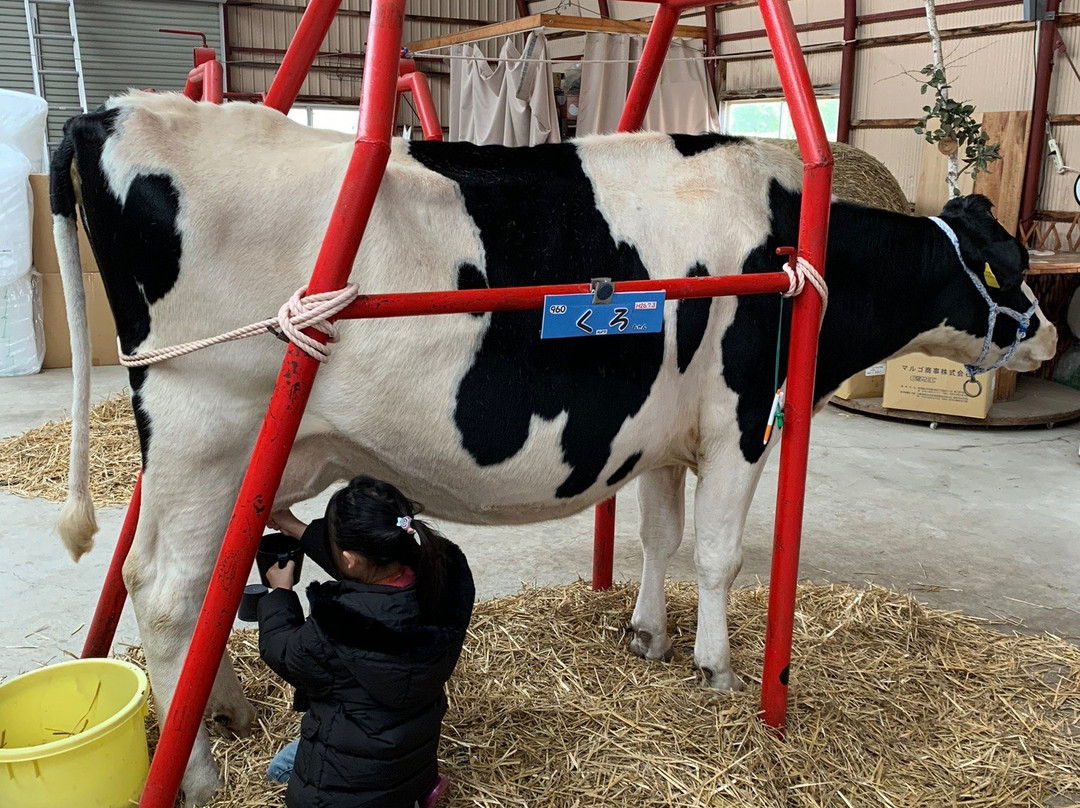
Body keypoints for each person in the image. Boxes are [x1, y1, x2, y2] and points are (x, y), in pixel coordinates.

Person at [258, 475, 474, 808]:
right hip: (409, 761)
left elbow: (284, 652)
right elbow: (362, 565)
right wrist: (294, 526)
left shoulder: (341, 625)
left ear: (349, 559)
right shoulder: (443, 585)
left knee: (278, 770)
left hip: (343, 792)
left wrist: (280, 593)